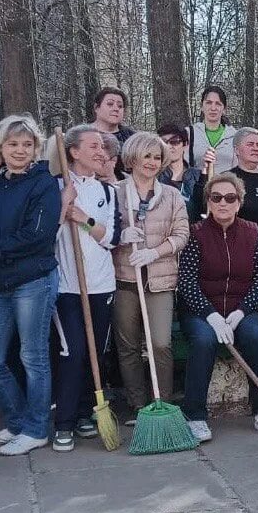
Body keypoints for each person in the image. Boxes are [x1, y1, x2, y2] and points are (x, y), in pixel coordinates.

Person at [0, 114, 62, 456]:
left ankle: (35, 429)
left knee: (32, 356)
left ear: (36, 148)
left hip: (33, 279)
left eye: (27, 144)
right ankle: (18, 422)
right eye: (12, 144)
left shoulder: (44, 183)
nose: (20, 150)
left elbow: (38, 235)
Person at [176, 172, 258, 441]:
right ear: (208, 201)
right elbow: (186, 282)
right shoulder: (196, 233)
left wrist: (241, 311)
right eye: (216, 197)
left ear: (239, 202)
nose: (223, 203)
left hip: (239, 307)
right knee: (204, 341)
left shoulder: (252, 231)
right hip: (201, 310)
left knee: (256, 337)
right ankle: (195, 415)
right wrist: (210, 315)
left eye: (230, 198)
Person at [49, 124, 118, 452]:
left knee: (95, 352)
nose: (100, 152)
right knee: (72, 350)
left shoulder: (107, 191)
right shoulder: (54, 186)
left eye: (102, 147)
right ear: (73, 152)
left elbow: (112, 237)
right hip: (67, 287)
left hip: (101, 285)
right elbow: (45, 235)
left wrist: (85, 219)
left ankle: (82, 414)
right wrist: (63, 207)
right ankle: (62, 421)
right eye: (93, 146)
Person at [114, 132, 190, 422]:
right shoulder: (116, 192)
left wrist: (155, 252)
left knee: (160, 343)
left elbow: (182, 235)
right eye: (146, 155)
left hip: (159, 279)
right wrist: (120, 236)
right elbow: (98, 232)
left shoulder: (170, 195)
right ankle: (137, 404)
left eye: (157, 157)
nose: (152, 162)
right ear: (133, 157)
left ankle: (163, 402)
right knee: (129, 345)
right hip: (125, 278)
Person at [158, 123, 209, 220]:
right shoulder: (154, 177)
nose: (169, 146)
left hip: (193, 230)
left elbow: (206, 208)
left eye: (174, 142)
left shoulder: (199, 176)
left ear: (185, 145)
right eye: (164, 142)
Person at [188, 85, 237, 173]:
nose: (213, 108)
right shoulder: (190, 133)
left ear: (224, 109)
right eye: (209, 103)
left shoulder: (234, 136)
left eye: (218, 104)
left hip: (227, 185)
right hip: (198, 185)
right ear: (202, 106)